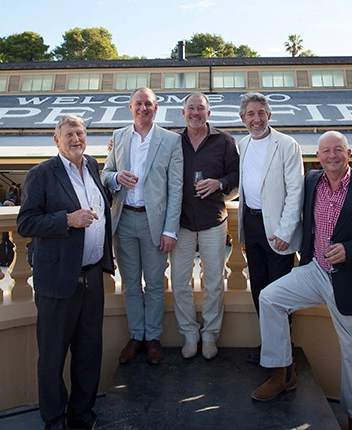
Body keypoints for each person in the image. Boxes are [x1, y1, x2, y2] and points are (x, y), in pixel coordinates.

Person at [251, 131, 352, 430]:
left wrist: (350, 250)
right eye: (326, 151)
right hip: (316, 272)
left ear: (349, 153)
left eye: (338, 150)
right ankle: (283, 372)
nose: (332, 156)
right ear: (318, 156)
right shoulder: (312, 181)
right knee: (270, 298)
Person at [17, 114, 114, 430]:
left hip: (92, 276)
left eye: (80, 133)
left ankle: (81, 411)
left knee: (89, 350)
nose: (76, 138)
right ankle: (54, 417)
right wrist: (67, 220)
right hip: (58, 279)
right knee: (53, 354)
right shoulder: (41, 174)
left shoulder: (93, 166)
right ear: (56, 140)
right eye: (69, 134)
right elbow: (26, 223)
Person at [102, 87, 183, 365]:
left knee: (156, 285)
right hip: (124, 220)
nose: (143, 108)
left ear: (156, 108)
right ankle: (136, 336)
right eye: (138, 103)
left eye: (148, 103)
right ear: (130, 107)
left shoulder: (171, 140)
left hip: (155, 223)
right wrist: (116, 178)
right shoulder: (119, 136)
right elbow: (105, 173)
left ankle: (153, 338)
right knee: (131, 284)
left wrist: (170, 229)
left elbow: (176, 189)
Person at [169, 92, 239, 360]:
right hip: (181, 222)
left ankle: (210, 334)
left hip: (213, 220)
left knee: (214, 282)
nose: (195, 113)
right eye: (191, 108)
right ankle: (189, 333)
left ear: (208, 113)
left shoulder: (224, 140)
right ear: (183, 113)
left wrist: (219, 183)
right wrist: (114, 146)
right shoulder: (172, 140)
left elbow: (236, 174)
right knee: (180, 282)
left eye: (200, 108)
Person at [237, 92, 304, 363]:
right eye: (251, 114)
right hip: (252, 225)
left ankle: (283, 353)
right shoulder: (242, 145)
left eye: (261, 113)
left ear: (269, 115)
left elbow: (296, 191)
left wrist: (286, 231)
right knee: (259, 289)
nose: (256, 119)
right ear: (243, 118)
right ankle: (269, 345)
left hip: (278, 229)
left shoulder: (287, 145)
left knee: (279, 292)